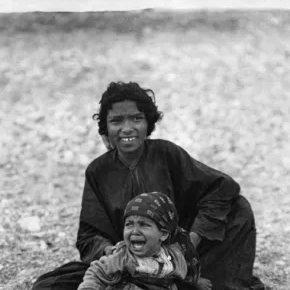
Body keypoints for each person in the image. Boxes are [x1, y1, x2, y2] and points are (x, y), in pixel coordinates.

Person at [32, 81, 265, 290]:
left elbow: (222, 188)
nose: (127, 128)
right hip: (128, 264)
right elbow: (89, 235)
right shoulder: (98, 171)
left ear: (148, 123)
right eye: (116, 121)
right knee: (48, 286)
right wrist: (115, 253)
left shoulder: (166, 153)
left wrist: (188, 245)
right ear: (106, 129)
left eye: (136, 118)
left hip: (176, 258)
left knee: (238, 209)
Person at [78, 192, 212, 290]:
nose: (134, 231)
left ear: (163, 234)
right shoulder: (123, 256)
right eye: (129, 224)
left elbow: (186, 270)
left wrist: (196, 281)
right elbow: (97, 271)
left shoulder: (173, 257)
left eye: (144, 225)